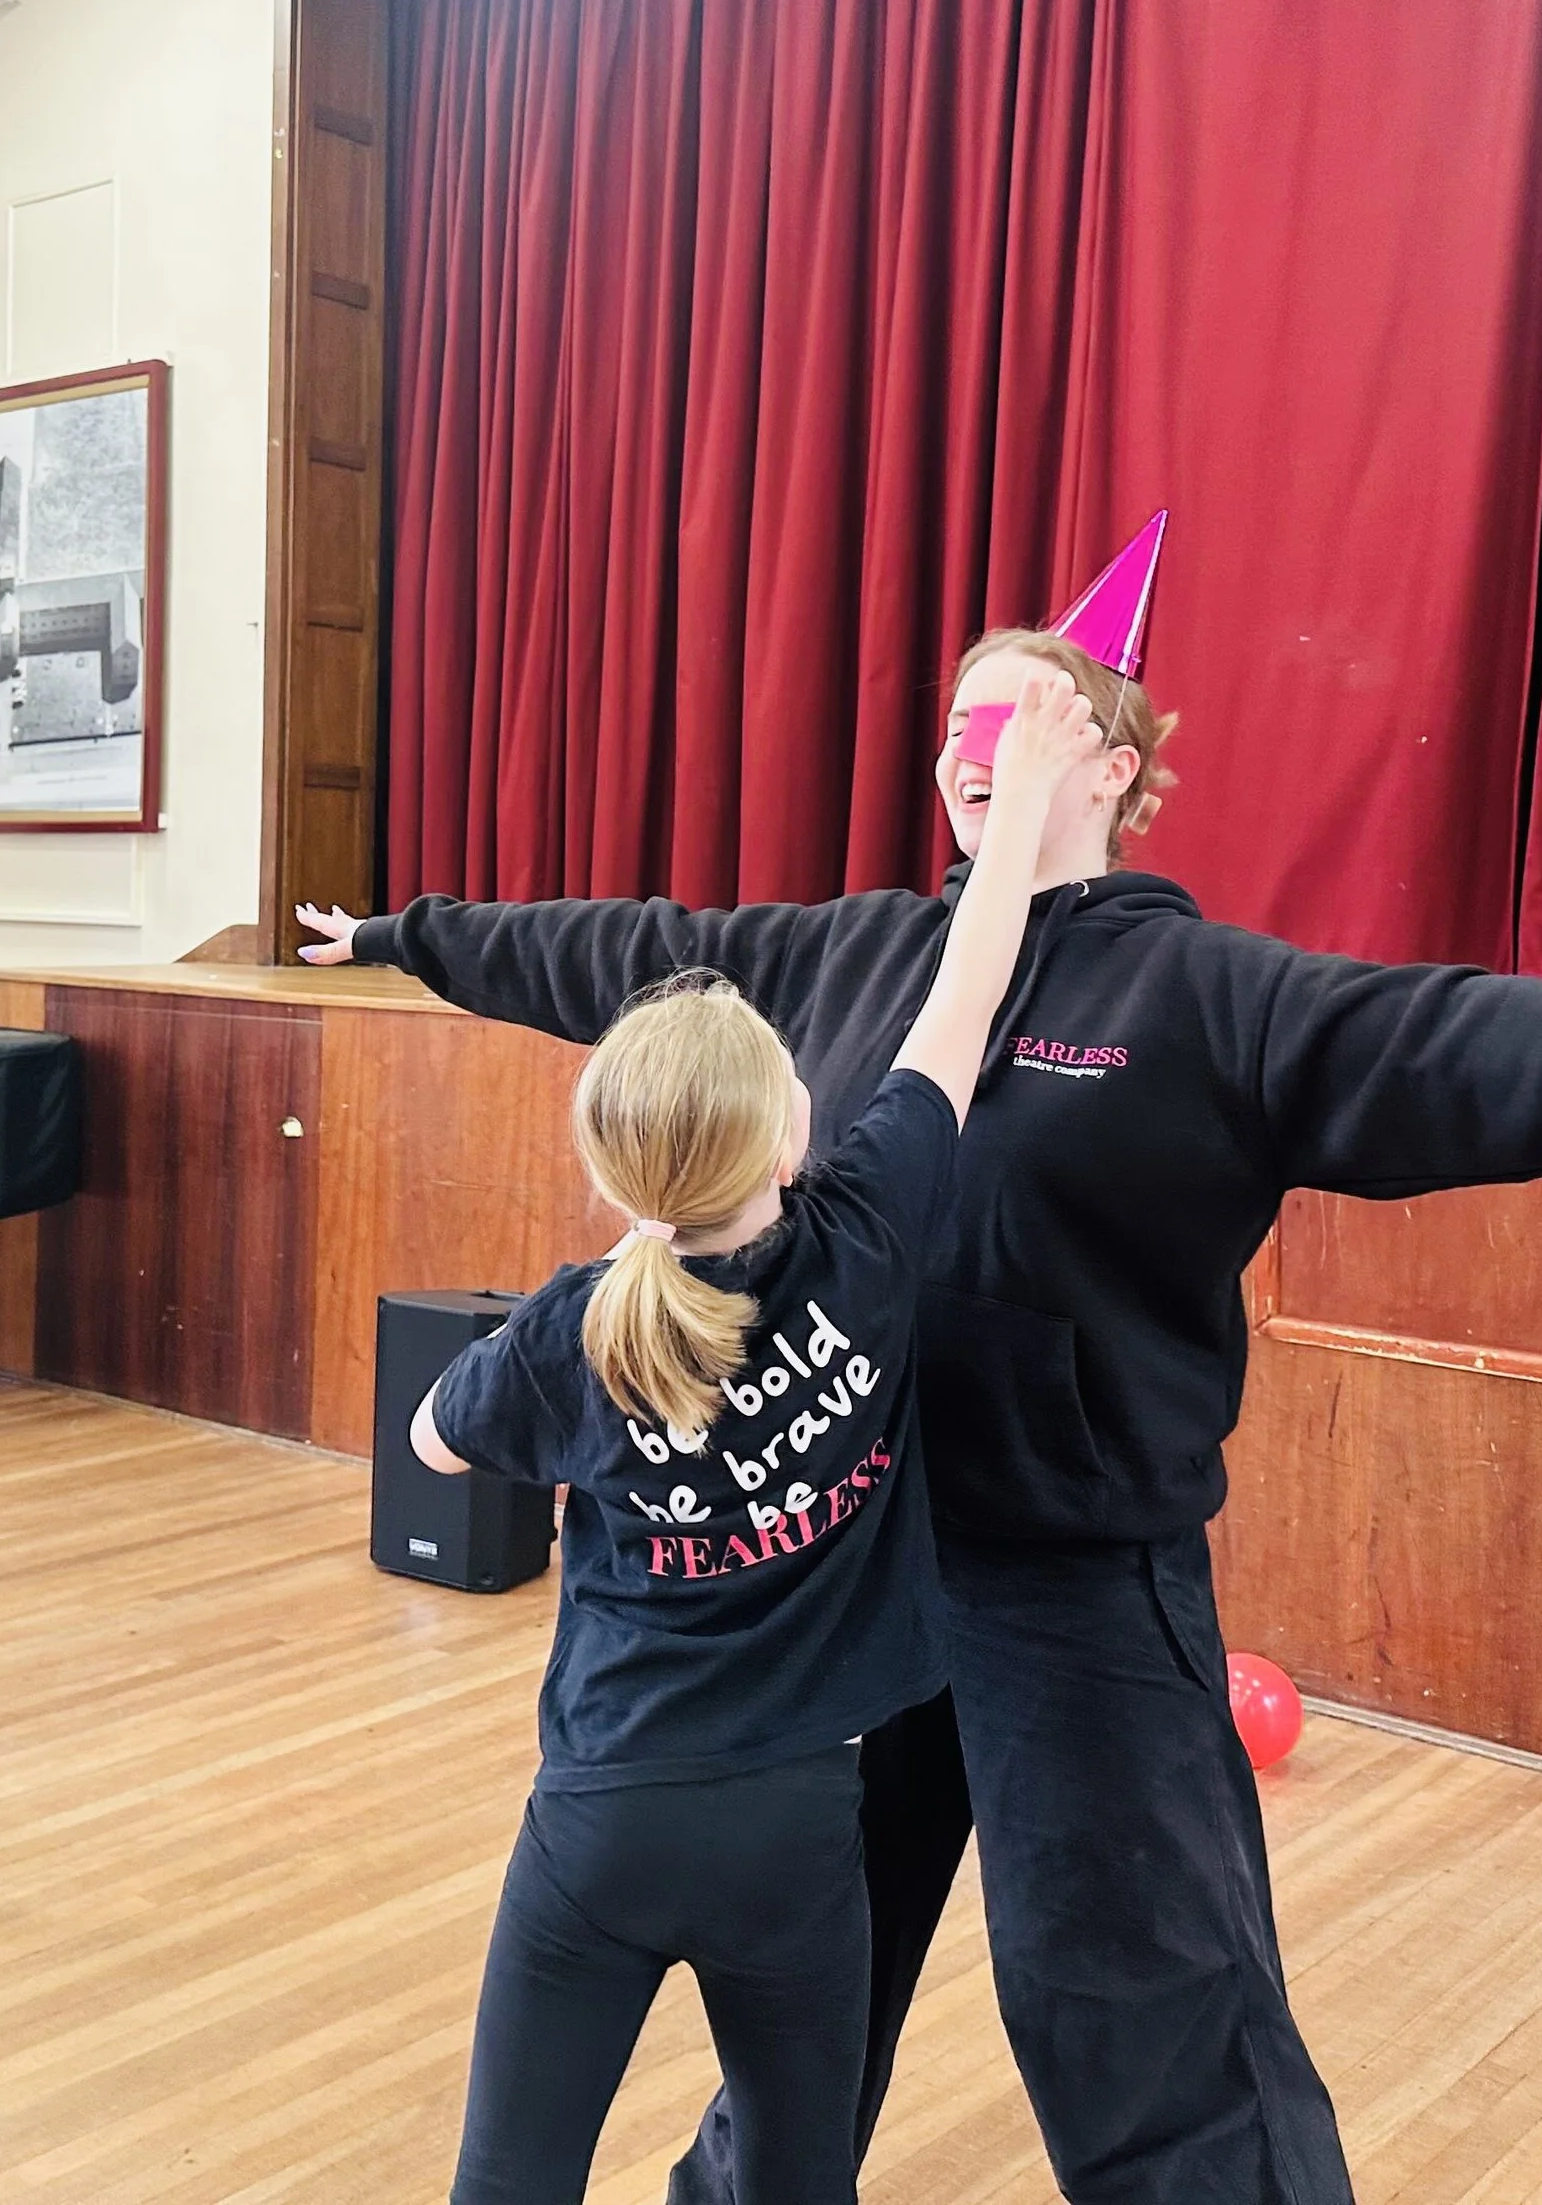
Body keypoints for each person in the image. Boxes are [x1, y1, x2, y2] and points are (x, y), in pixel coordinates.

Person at [301, 626, 1542, 2205]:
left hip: (1076, 1590)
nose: (965, 757)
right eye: (951, 733)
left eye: (1009, 725)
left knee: (1140, 2005)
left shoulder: (1216, 999)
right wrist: (399, 934)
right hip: (846, 1591)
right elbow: (614, 950)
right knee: (803, 2016)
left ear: (1111, 765)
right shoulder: (845, 959)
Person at [408, 672, 1105, 2205]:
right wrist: (1023, 812)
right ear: (792, 1134)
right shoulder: (868, 1236)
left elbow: (437, 1443)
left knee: (508, 2180)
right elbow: (966, 995)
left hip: (596, 1824)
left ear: (617, 1169)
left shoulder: (572, 1330)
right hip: (797, 1835)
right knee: (799, 2183)